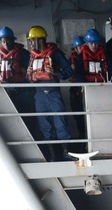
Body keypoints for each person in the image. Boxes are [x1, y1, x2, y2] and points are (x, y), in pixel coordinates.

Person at [26, 26, 73, 162]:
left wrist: (55, 73)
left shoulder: (55, 54)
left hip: (53, 94)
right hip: (39, 95)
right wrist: (28, 74)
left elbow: (69, 71)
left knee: (61, 124)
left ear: (39, 40)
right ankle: (52, 155)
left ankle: (65, 152)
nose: (31, 43)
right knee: (45, 125)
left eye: (32, 40)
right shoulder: (32, 57)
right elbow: (27, 79)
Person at [0, 27, 38, 141]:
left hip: (23, 91)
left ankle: (34, 141)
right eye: (3, 41)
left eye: (8, 40)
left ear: (13, 40)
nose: (6, 43)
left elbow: (32, 71)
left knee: (28, 117)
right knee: (11, 118)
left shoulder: (23, 55)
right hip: (7, 91)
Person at [68, 36, 86, 140]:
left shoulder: (88, 58)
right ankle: (82, 136)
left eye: (83, 46)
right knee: (78, 115)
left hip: (88, 89)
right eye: (79, 47)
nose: (82, 48)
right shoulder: (71, 60)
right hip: (75, 90)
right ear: (75, 48)